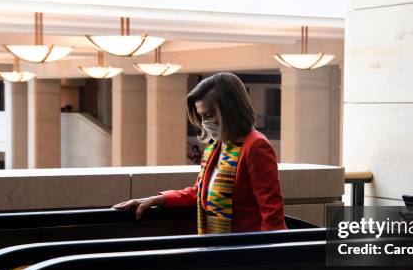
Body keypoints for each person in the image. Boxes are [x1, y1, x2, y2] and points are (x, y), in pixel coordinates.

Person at [113, 72, 286, 234]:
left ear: (231, 110)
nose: (205, 123)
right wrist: (154, 200)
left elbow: (271, 213)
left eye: (210, 115)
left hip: (245, 253)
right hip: (218, 248)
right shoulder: (217, 145)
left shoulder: (256, 146)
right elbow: (200, 192)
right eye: (201, 116)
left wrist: (268, 258)